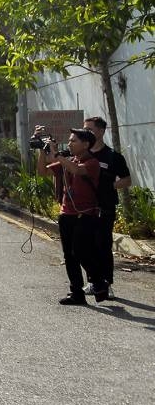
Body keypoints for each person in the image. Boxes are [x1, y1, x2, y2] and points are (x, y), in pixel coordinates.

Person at [35, 128, 105, 305]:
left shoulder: (92, 163)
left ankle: (97, 280)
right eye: (70, 140)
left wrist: (57, 154)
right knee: (69, 255)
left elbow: (77, 170)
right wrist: (42, 151)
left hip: (86, 214)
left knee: (80, 250)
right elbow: (42, 171)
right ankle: (77, 293)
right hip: (66, 213)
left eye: (74, 141)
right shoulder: (68, 161)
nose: (70, 143)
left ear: (86, 144)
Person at [83, 116, 131, 297]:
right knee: (86, 246)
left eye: (90, 129)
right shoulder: (82, 155)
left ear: (101, 132)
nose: (86, 132)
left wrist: (109, 186)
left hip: (105, 206)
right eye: (84, 129)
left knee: (103, 245)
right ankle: (92, 282)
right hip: (84, 207)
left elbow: (127, 180)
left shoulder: (113, 156)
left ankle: (106, 283)